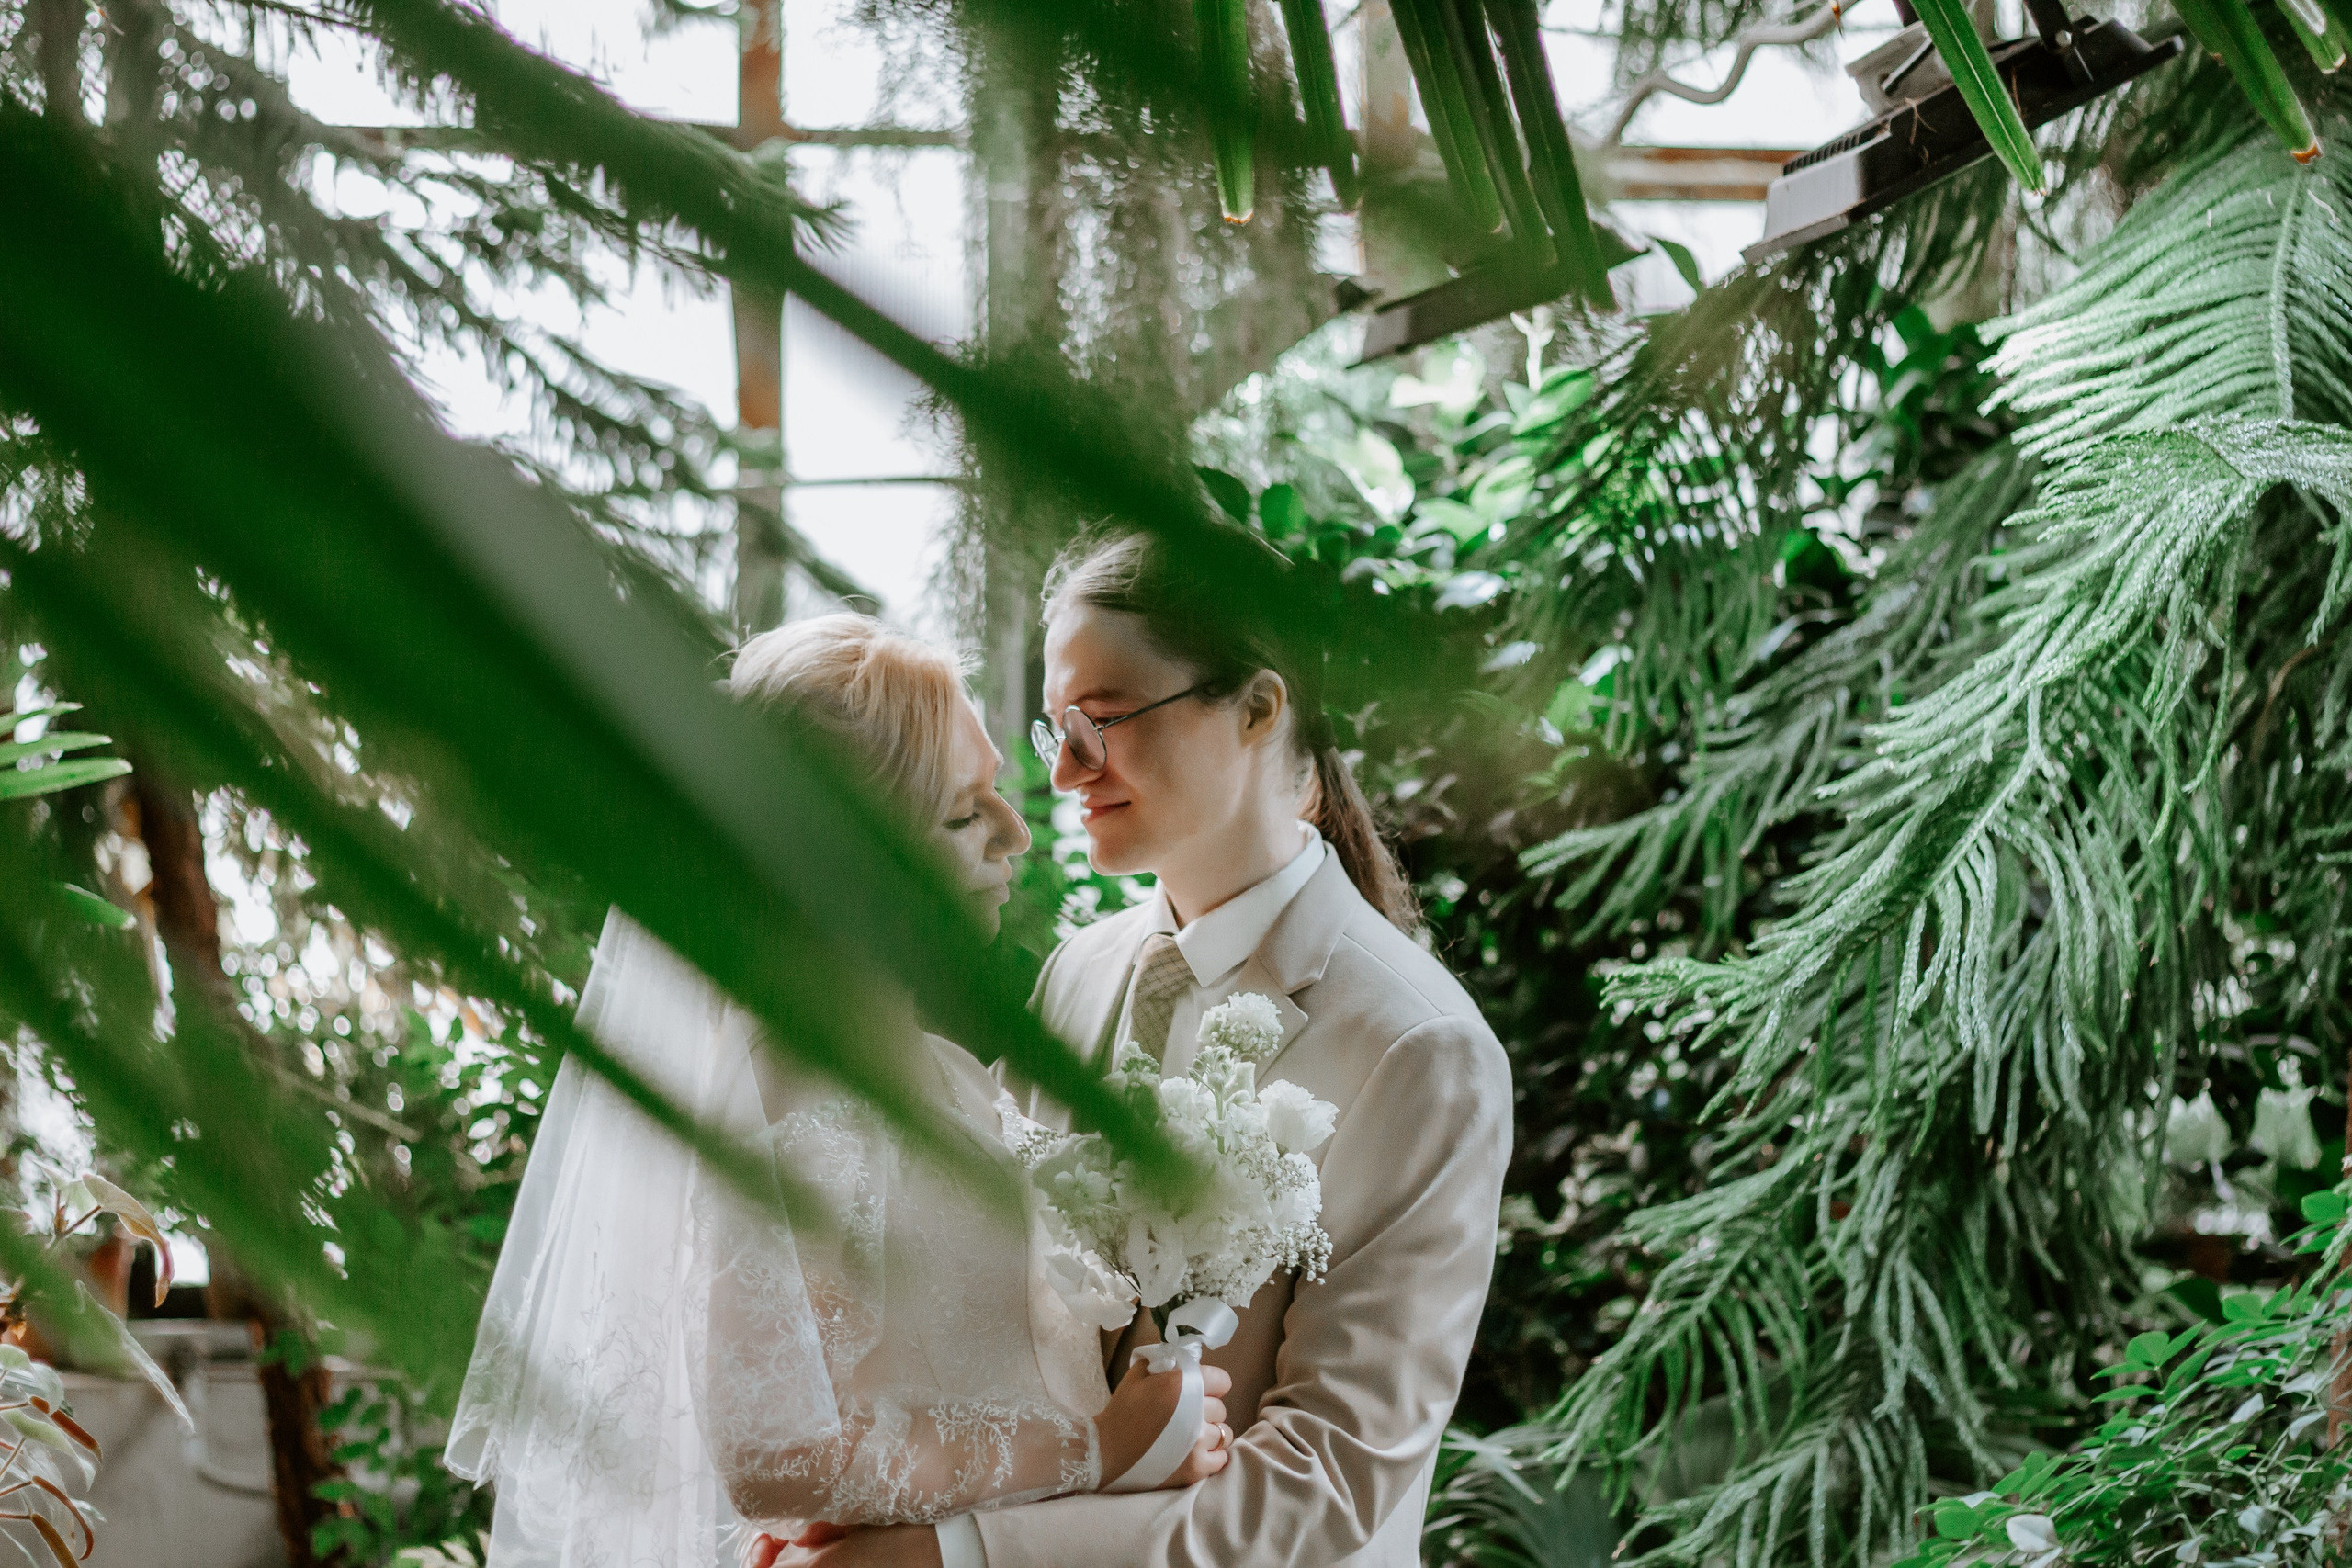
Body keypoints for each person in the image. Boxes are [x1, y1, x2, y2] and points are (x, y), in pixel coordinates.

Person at [771, 531, 1512, 1568]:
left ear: (1257, 709)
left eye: (1104, 721)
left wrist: (953, 1558)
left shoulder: (1419, 1050)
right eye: (1056, 729)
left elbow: (1330, 1480)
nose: (1067, 770)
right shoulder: (1074, 975)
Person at [445, 614, 1230, 1568]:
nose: (1016, 833)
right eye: (961, 814)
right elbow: (776, 1458)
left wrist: (1154, 1404)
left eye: (996, 793)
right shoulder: (804, 1095)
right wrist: (1097, 1449)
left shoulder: (918, 1066)